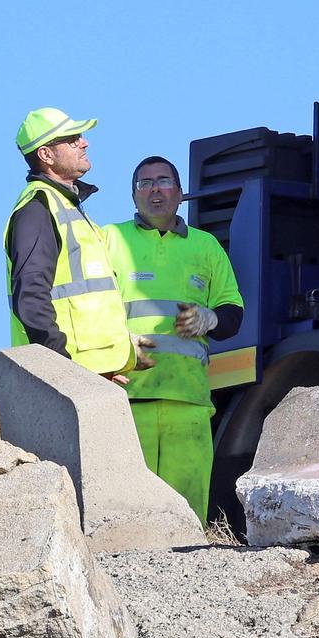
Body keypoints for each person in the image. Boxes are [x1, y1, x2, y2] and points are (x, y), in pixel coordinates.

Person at [102, 155, 243, 522]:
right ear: (133, 196)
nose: (154, 189)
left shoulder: (206, 246)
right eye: (144, 183)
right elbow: (90, 308)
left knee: (187, 514)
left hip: (189, 402)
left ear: (180, 193)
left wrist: (210, 318)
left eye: (164, 181)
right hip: (128, 396)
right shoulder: (109, 239)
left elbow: (233, 314)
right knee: (128, 511)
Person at [4, 108, 150, 379]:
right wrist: (65, 374)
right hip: (70, 375)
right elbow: (31, 298)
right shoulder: (38, 208)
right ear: (46, 155)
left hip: (90, 375)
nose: (84, 142)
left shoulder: (65, 207)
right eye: (72, 139)